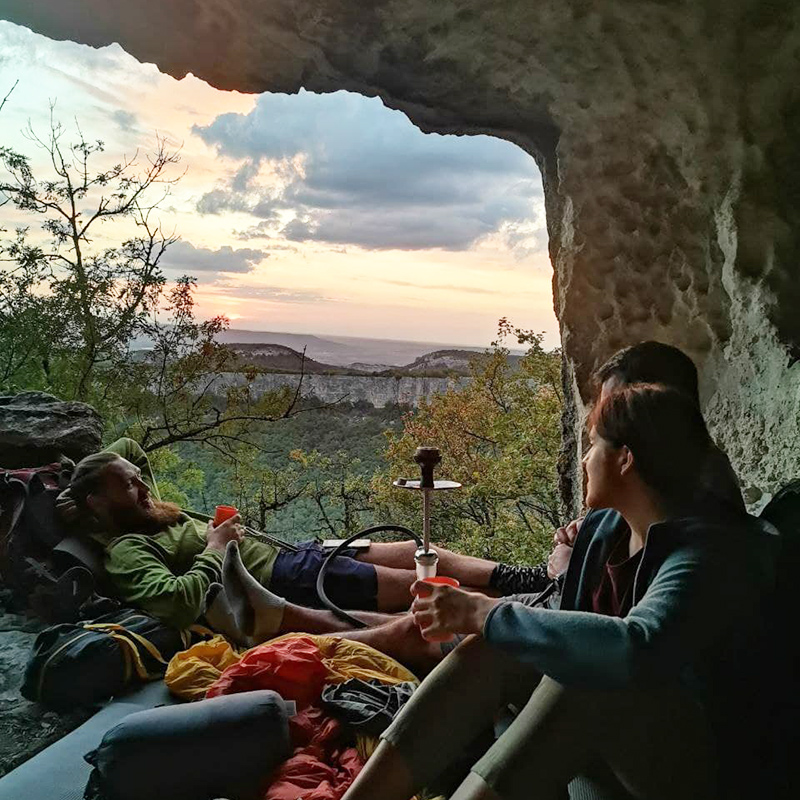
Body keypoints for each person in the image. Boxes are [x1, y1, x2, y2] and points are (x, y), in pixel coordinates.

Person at [339, 384, 777, 800]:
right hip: (603, 760)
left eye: (594, 446)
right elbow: (561, 623)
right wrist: (487, 626)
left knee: (590, 677)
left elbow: (637, 647)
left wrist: (487, 613)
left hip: (700, 776)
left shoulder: (710, 553)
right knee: (491, 649)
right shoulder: (607, 532)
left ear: (625, 459)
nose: (585, 460)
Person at [61, 438, 501, 631]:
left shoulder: (147, 514)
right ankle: (509, 613)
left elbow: (128, 449)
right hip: (280, 579)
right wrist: (217, 546)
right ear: (98, 504)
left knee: (415, 549)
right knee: (418, 585)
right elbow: (176, 602)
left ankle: (521, 579)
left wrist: (78, 485)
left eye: (140, 479)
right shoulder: (128, 549)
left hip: (297, 556)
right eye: (127, 485)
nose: (142, 488)